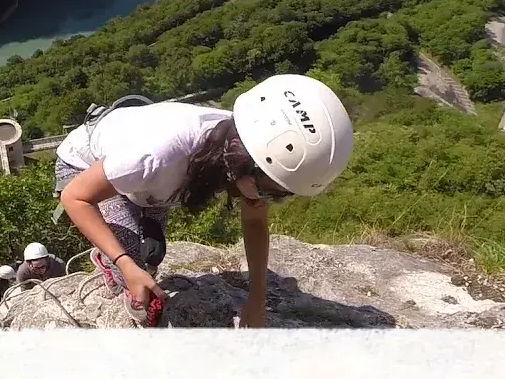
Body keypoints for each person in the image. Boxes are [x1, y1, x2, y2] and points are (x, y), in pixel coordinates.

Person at [55, 74, 354, 326]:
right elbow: (75, 197)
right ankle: (108, 263)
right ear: (243, 165)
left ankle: (132, 251)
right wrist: (125, 265)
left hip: (141, 182)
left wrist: (257, 299)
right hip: (85, 165)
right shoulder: (156, 158)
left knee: (151, 254)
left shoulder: (239, 144)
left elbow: (254, 222)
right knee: (135, 275)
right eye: (268, 192)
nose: (267, 200)